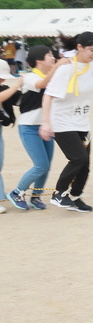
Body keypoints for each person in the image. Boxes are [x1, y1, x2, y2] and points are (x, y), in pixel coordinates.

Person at [39, 31, 93, 212]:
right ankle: (59, 193)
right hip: (62, 121)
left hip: (82, 121)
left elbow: (86, 86)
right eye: (91, 50)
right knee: (78, 158)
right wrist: (46, 123)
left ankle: (75, 196)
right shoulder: (66, 68)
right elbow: (48, 95)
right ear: (79, 47)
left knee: (85, 164)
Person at [6, 46, 68, 211]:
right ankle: (17, 192)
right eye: (49, 55)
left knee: (46, 165)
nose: (53, 58)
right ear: (38, 59)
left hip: (46, 127)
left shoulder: (53, 76)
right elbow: (41, 84)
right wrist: (58, 65)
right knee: (41, 165)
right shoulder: (29, 77)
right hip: (29, 127)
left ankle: (36, 196)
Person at [0, 59, 23, 212]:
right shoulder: (7, 90)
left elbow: (22, 100)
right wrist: (16, 85)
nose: (2, 80)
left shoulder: (5, 88)